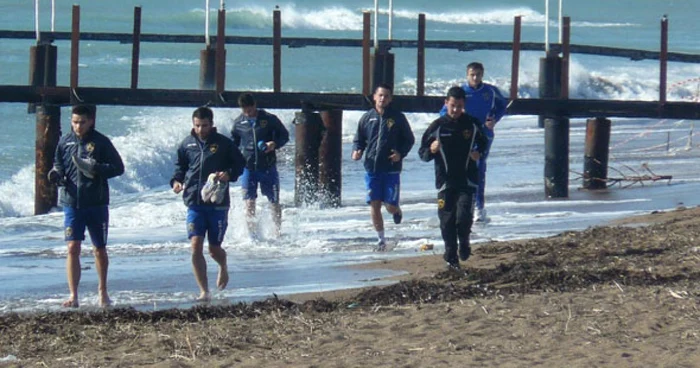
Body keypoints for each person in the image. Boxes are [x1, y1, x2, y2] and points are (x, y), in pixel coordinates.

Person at [49, 104, 125, 308]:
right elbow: (58, 164)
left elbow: (119, 167)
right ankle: (73, 295)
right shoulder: (64, 142)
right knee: (73, 247)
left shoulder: (101, 142)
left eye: (82, 122)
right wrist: (56, 175)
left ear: (90, 121)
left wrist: (96, 168)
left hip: (97, 203)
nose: (78, 126)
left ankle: (103, 292)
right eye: (74, 122)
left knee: (99, 248)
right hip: (72, 203)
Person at [171, 106, 245, 302]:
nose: (201, 129)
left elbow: (239, 163)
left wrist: (229, 174)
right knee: (195, 245)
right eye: (197, 125)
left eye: (204, 125)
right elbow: (180, 168)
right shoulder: (186, 144)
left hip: (217, 203)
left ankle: (223, 265)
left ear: (212, 125)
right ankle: (204, 290)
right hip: (194, 203)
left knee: (214, 248)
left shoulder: (223, 144)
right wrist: (176, 182)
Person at [420, 86, 488, 270]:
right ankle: (451, 257)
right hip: (445, 182)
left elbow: (484, 141)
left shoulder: (472, 124)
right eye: (452, 105)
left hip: (467, 180)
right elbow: (422, 153)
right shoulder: (437, 126)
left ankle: (464, 242)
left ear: (464, 104)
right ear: (446, 103)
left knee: (463, 218)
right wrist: (431, 150)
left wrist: (478, 152)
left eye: (459, 106)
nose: (456, 110)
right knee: (446, 221)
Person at [440, 62, 507, 222]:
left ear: (482, 74)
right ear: (467, 75)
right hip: (464, 135)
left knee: (479, 168)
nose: (475, 77)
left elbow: (502, 106)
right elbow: (444, 112)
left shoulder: (490, 91)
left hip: (484, 135)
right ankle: (459, 204)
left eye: (478, 74)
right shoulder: (461, 92)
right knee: (460, 168)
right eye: (472, 74)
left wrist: (494, 120)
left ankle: (479, 207)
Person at [352, 83, 415, 251]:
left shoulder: (397, 118)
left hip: (391, 169)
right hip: (371, 168)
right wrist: (356, 151)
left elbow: (409, 139)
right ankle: (380, 239)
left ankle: (396, 211)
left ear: (390, 99)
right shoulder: (367, 118)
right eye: (380, 95)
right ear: (374, 97)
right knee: (374, 204)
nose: (382, 99)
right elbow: (359, 140)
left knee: (389, 205)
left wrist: (400, 153)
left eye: (386, 96)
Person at [231, 93, 289, 240]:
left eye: (249, 110)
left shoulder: (269, 119)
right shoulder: (238, 123)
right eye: (244, 110)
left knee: (274, 202)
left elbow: (284, 135)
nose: (247, 113)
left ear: (254, 105)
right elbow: (233, 144)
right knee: (249, 203)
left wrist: (274, 144)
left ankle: (277, 233)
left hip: (268, 167)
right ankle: (252, 236)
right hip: (248, 168)